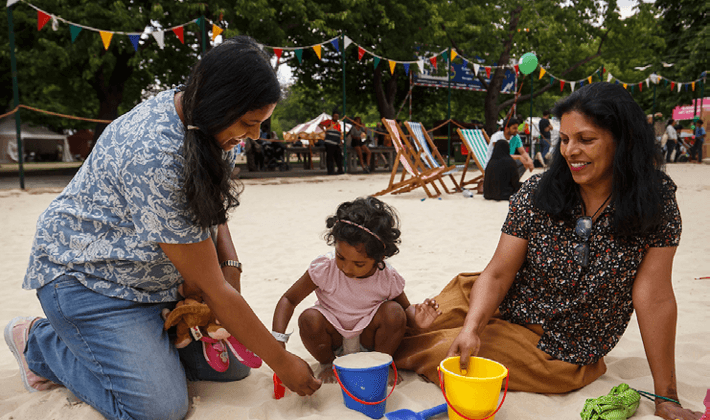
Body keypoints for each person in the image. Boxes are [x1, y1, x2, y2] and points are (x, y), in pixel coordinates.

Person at [3, 36, 321, 420]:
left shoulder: (208, 123)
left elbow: (210, 206)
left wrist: (230, 264)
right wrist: (282, 362)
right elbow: (213, 288)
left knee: (234, 367)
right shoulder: (156, 154)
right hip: (90, 280)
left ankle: (139, 348)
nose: (253, 135)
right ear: (220, 104)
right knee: (158, 409)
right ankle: (39, 343)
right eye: (249, 124)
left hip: (154, 279)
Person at [394, 82, 702, 420]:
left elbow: (654, 297)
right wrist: (472, 328)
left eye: (586, 140)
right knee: (421, 320)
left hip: (557, 346)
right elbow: (497, 273)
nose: (570, 151)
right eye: (566, 140)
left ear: (623, 140)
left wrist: (666, 398)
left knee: (438, 351)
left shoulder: (655, 202)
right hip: (499, 298)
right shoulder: (538, 191)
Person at [272, 197, 441, 383]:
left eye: (359, 263)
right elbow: (289, 299)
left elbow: (405, 310)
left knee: (394, 312)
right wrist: (278, 341)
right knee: (309, 318)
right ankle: (328, 365)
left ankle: (380, 364)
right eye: (340, 256)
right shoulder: (325, 268)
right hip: (332, 338)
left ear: (379, 258)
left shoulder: (387, 277)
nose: (347, 268)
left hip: (370, 340)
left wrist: (418, 320)